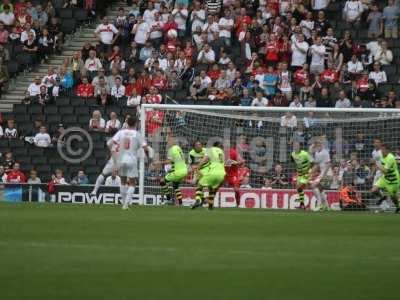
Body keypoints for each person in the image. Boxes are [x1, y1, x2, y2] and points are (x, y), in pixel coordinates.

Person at [110, 116, 148, 210]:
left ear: (127, 123)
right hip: (132, 160)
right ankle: (126, 205)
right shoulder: (137, 134)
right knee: (132, 183)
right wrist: (148, 156)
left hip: (121, 159)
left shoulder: (121, 132)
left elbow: (113, 142)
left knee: (122, 181)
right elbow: (145, 147)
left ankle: (123, 204)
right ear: (135, 124)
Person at [192, 141, 226, 210]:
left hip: (213, 173)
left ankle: (198, 200)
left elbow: (205, 159)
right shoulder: (222, 152)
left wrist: (198, 167)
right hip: (222, 174)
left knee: (199, 185)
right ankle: (210, 207)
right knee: (212, 189)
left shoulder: (211, 150)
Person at [372, 143, 400, 213]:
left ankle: (398, 207)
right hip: (385, 178)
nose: (381, 151)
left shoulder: (391, 158)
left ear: (388, 150)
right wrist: (374, 161)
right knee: (374, 190)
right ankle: (383, 197)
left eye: (383, 150)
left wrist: (378, 165)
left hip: (393, 180)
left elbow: (385, 171)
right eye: (381, 149)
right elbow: (374, 161)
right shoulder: (380, 154)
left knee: (393, 197)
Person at [291, 142, 312, 209]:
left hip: (306, 173)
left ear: (299, 146)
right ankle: (302, 204)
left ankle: (303, 204)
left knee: (300, 187)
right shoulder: (293, 154)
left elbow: (312, 162)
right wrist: (297, 172)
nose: (295, 147)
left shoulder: (305, 154)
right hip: (300, 174)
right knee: (299, 189)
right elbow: (294, 163)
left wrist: (308, 169)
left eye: (297, 145)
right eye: (294, 146)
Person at [225, 142, 245, 207]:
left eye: (227, 144)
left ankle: (238, 204)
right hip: (223, 173)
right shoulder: (221, 152)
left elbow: (242, 161)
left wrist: (237, 163)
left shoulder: (233, 152)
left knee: (236, 189)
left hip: (233, 174)